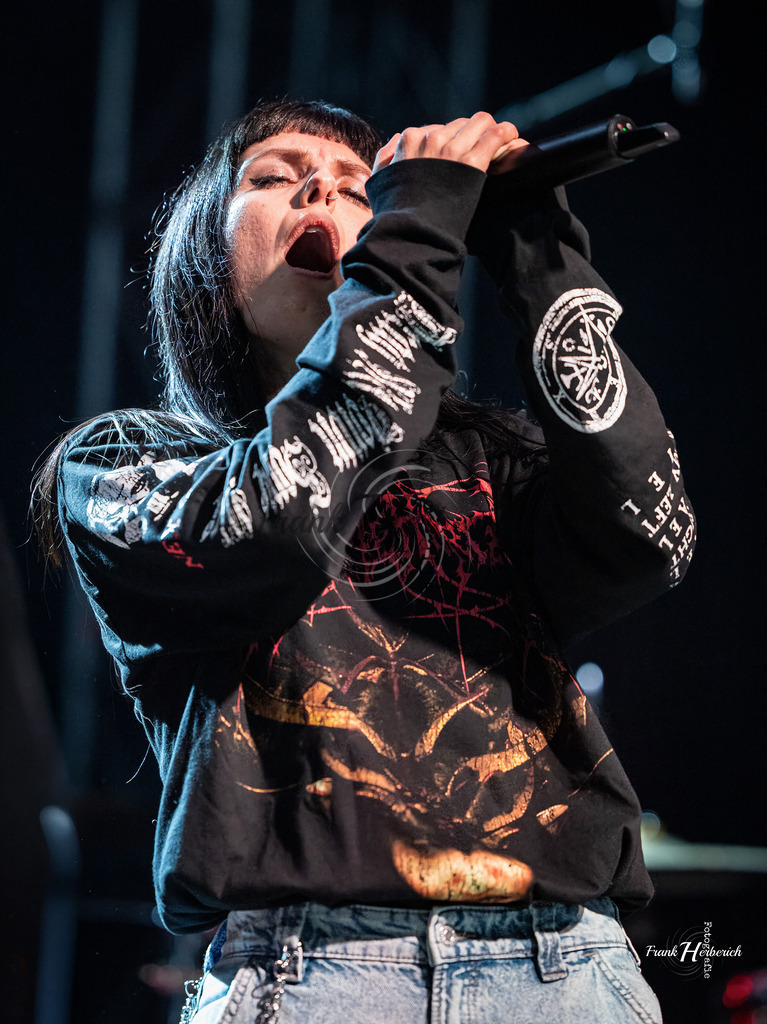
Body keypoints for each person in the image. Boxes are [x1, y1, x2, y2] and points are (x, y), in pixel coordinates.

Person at [36, 99, 695, 1023]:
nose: (321, 186)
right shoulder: (126, 469)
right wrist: (415, 215)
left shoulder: (490, 464)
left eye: (360, 188)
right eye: (272, 175)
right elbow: (279, 512)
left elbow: (649, 534)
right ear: (206, 266)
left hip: (563, 967)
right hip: (307, 976)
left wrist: (537, 255)